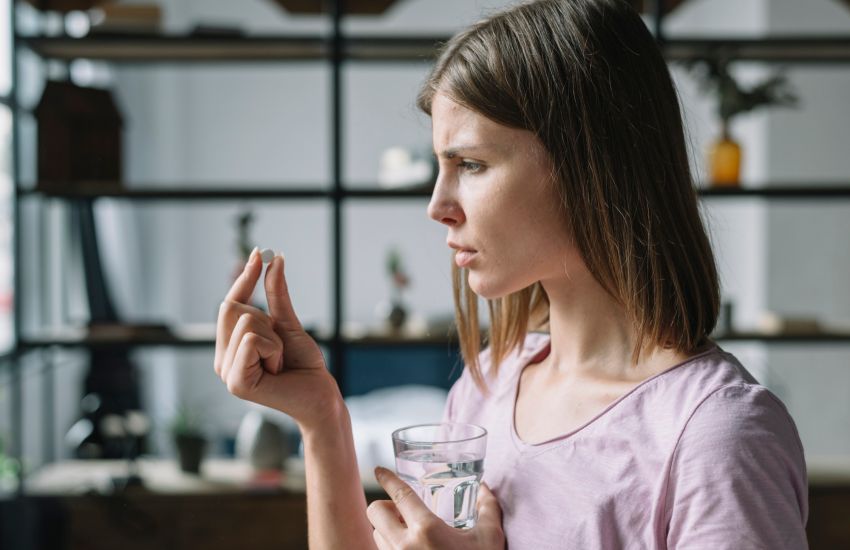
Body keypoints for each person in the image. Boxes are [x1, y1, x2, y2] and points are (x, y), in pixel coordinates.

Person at [214, 0, 809, 548]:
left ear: (588, 166)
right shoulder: (488, 388)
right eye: (439, 166)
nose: (437, 204)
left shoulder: (717, 434)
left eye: (470, 163)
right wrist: (321, 417)